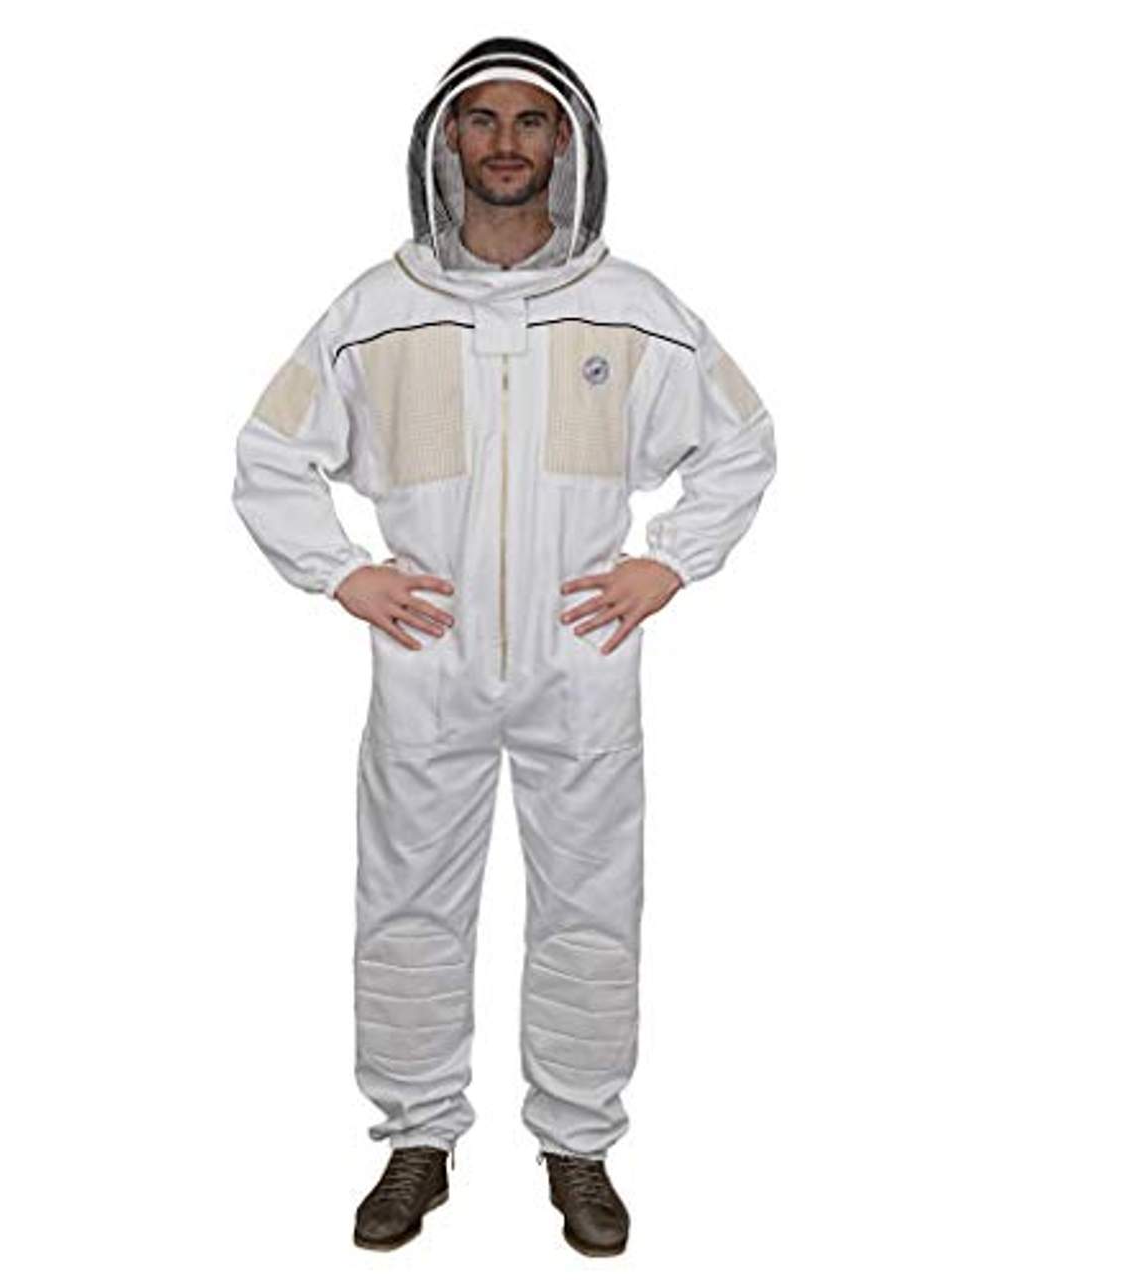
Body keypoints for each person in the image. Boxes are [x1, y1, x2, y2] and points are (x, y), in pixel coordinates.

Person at [230, 35, 776, 1257]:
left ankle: (577, 1141)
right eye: (481, 119)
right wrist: (342, 571)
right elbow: (269, 452)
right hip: (426, 662)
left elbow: (740, 439)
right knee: (406, 903)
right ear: (445, 142)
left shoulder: (635, 308)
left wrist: (670, 558)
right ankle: (415, 1136)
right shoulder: (374, 310)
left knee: (590, 904)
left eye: (531, 120)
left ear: (566, 143)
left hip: (581, 658)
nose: (506, 143)